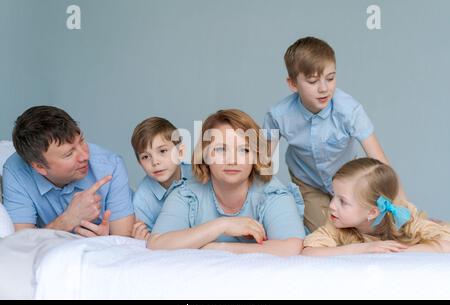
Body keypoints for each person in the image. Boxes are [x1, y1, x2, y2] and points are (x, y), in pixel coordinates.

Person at [263, 36, 405, 233]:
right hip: (308, 183)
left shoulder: (349, 110)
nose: (324, 88)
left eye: (330, 78)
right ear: (293, 84)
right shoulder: (278, 115)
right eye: (313, 81)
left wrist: (401, 203)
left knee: (372, 228)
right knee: (326, 233)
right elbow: (262, 163)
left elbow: (379, 160)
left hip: (348, 182)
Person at [147, 109, 305, 256]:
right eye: (221, 149)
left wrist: (218, 248)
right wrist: (222, 225)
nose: (233, 160)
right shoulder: (187, 194)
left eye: (244, 150)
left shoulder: (271, 193)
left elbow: (292, 247)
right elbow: (156, 244)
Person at [2, 106, 134, 236]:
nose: (85, 156)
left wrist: (105, 240)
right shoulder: (16, 172)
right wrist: (68, 220)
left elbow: (124, 239)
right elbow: (21, 244)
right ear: (39, 167)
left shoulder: (111, 165)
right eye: (69, 154)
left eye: (81, 141)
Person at [302, 158, 450, 256]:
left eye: (343, 201)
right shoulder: (337, 225)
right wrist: (361, 249)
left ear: (372, 212)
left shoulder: (404, 218)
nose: (332, 205)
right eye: (334, 195)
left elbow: (446, 244)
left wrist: (397, 252)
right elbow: (308, 252)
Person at [130, 117, 192, 240]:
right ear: (140, 163)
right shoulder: (143, 199)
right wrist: (142, 237)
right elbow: (150, 237)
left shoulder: (198, 175)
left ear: (180, 153)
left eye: (162, 151)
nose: (155, 162)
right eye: (146, 157)